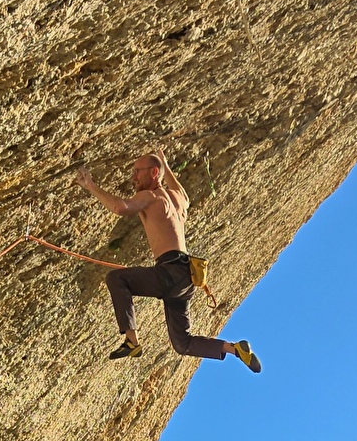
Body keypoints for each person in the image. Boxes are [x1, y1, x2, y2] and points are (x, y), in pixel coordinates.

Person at [75, 149, 261, 371]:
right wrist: (165, 163)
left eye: (137, 171)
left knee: (116, 279)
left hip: (170, 271)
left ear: (153, 173)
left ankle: (131, 341)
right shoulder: (178, 199)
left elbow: (119, 207)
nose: (133, 177)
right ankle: (234, 349)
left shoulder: (150, 196)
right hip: (186, 279)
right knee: (182, 344)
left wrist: (90, 186)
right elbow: (179, 190)